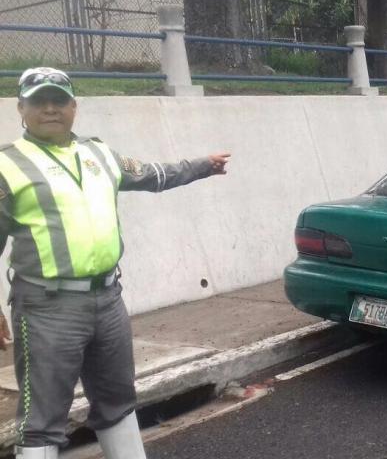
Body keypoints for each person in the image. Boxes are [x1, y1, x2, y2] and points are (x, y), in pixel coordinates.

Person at [0, 68, 230, 458]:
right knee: (42, 418)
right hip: (45, 308)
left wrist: (203, 165)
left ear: (74, 107)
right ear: (21, 108)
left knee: (117, 400)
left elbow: (154, 174)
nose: (50, 108)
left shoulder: (98, 153)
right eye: (39, 101)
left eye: (59, 100)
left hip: (107, 300)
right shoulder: (8, 166)